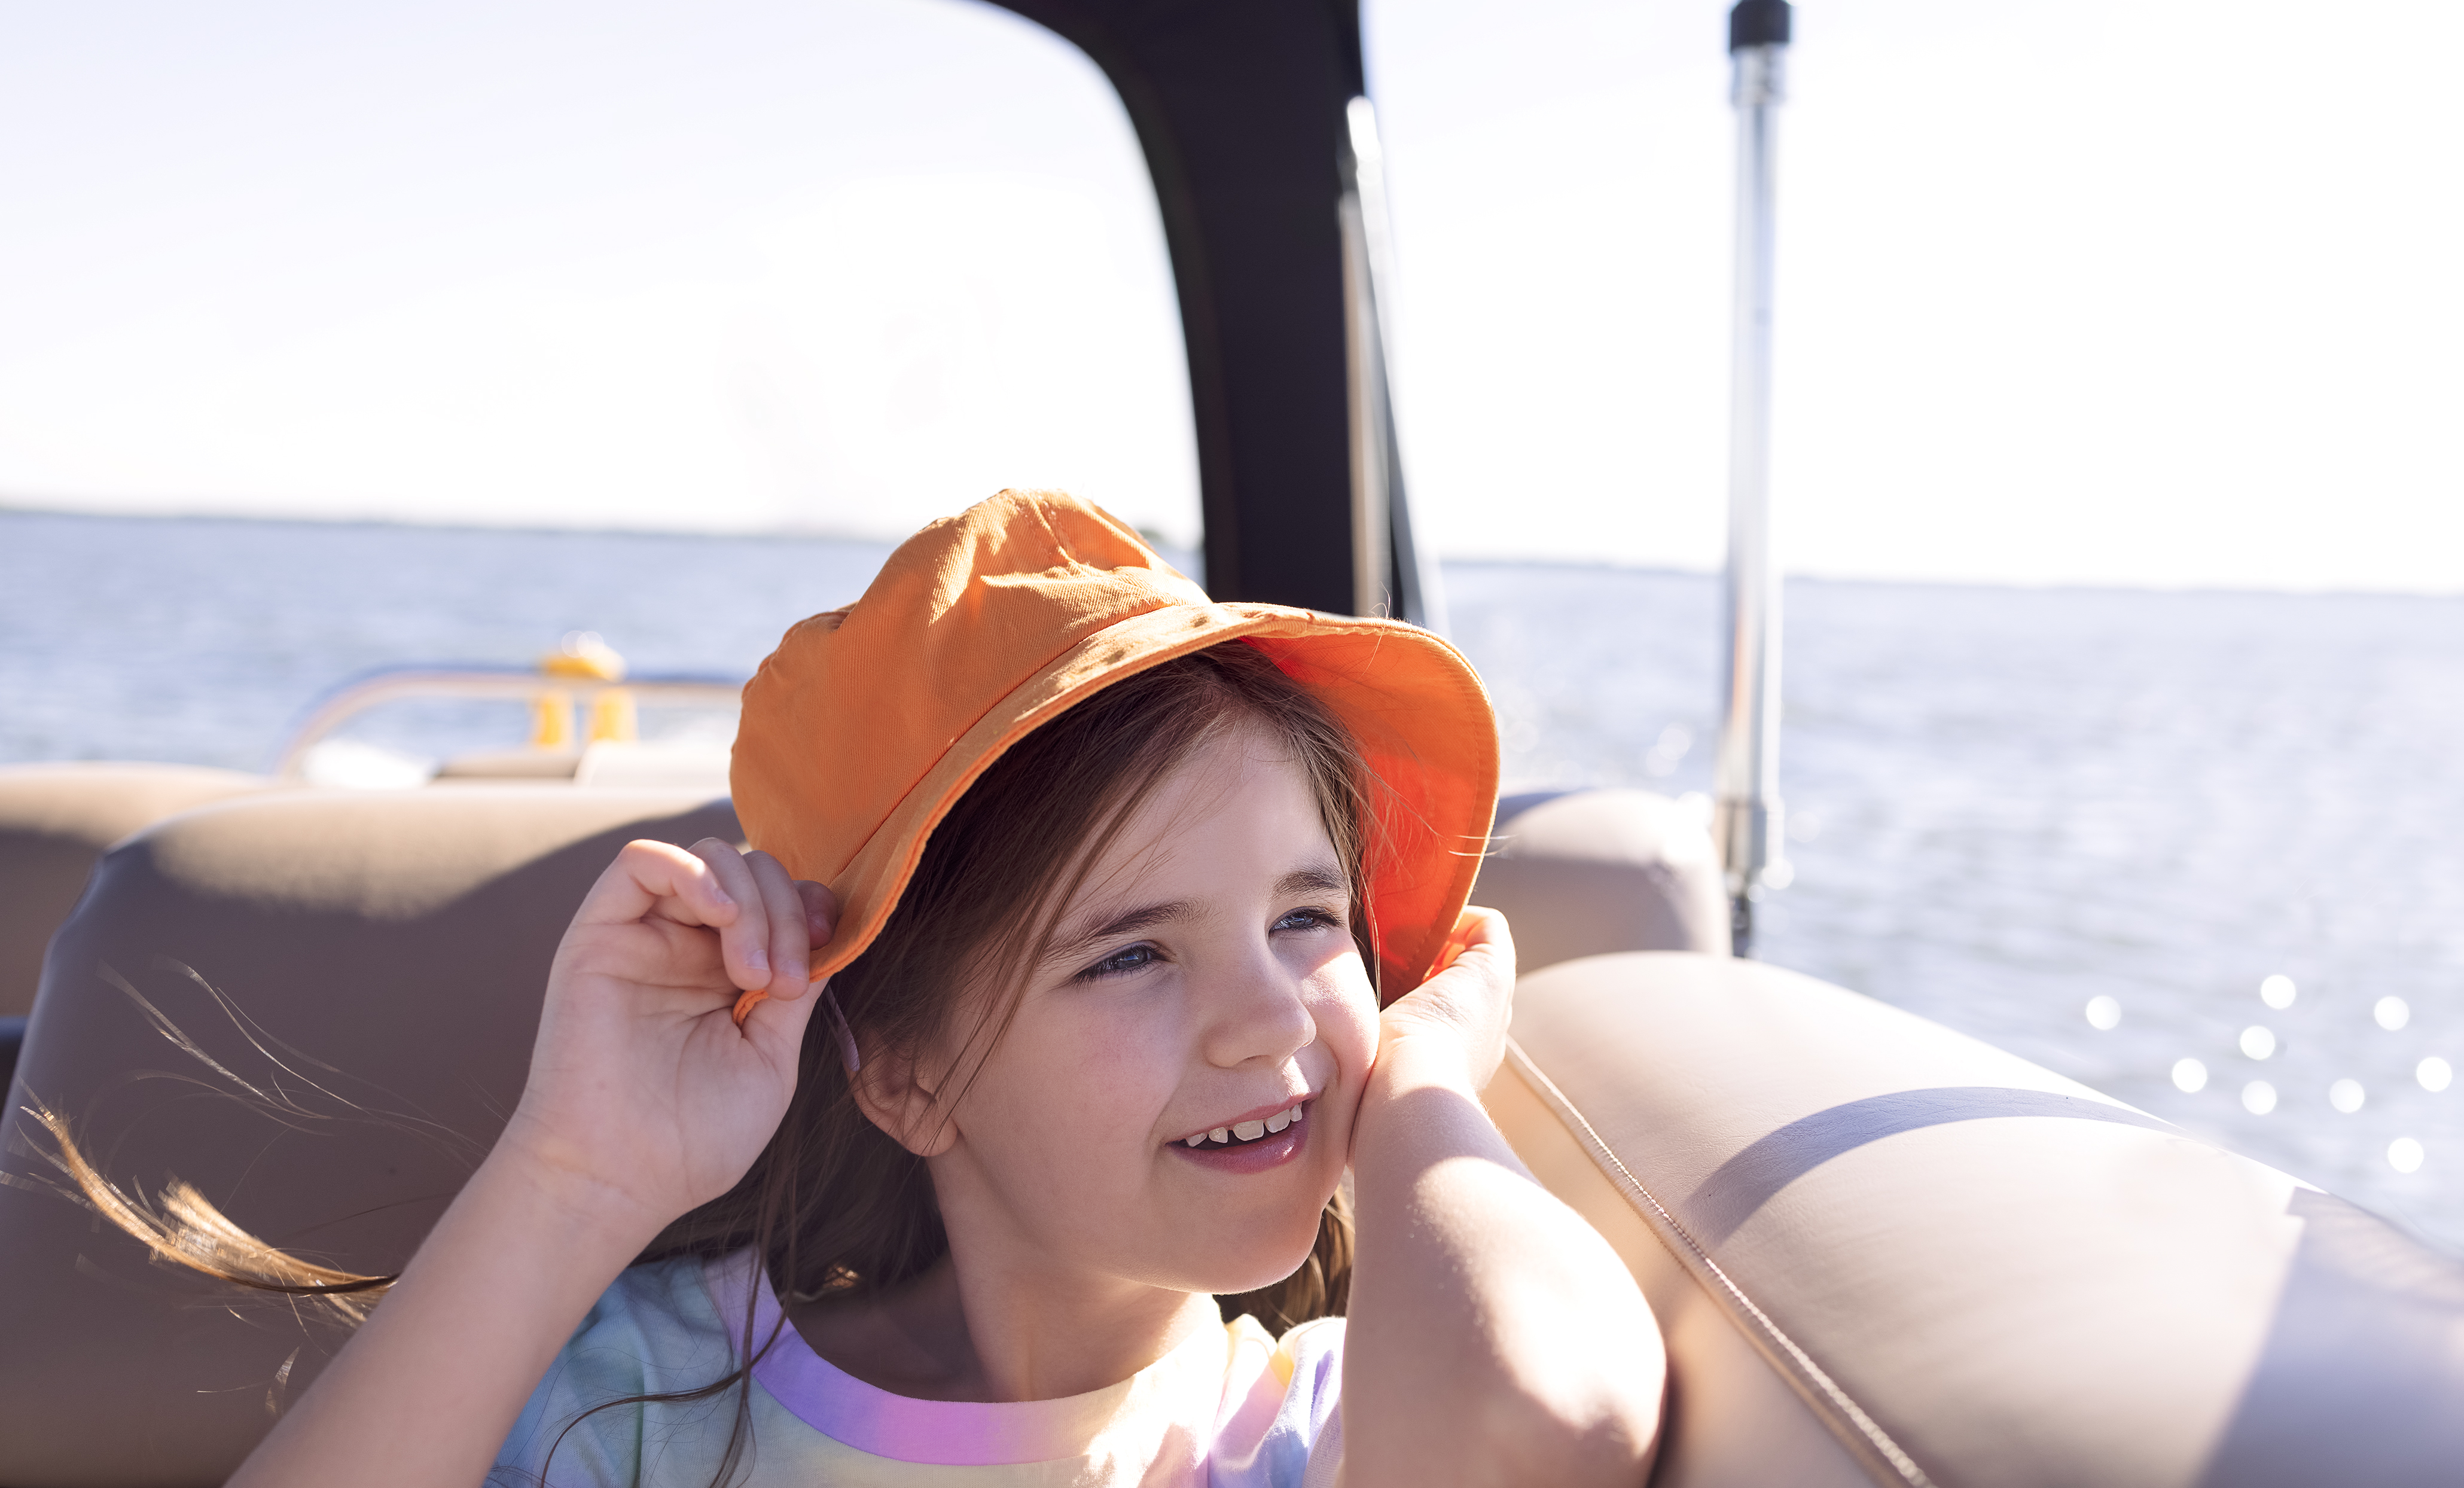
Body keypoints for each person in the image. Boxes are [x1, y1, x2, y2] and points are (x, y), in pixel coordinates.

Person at [180, 490, 1667, 1486]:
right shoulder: (657, 1400)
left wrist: (1412, 1085)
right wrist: (576, 1173)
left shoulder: (1314, 1425)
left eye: (1305, 917)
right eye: (1130, 952)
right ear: (902, 1073)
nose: (1273, 1017)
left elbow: (1549, 1418)